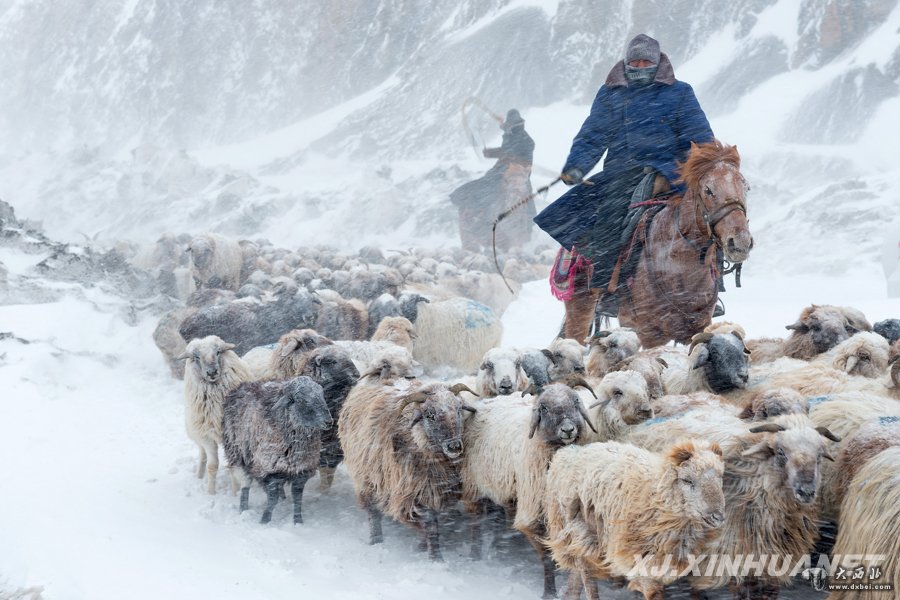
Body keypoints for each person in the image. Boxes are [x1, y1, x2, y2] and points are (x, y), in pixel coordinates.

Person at [534, 34, 715, 320]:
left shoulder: (680, 92)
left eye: (646, 61)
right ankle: (607, 287)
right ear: (626, 62)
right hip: (622, 173)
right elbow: (593, 136)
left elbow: (700, 139)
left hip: (672, 173)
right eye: (635, 61)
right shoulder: (611, 93)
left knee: (708, 218)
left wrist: (699, 168)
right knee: (607, 220)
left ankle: (710, 288)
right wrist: (577, 166)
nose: (640, 66)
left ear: (657, 64)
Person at [450, 109, 535, 252]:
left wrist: (503, 156)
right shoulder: (511, 135)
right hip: (500, 172)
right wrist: (492, 153)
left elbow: (517, 155)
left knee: (483, 194)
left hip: (511, 174)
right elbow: (507, 150)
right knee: (471, 193)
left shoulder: (525, 140)